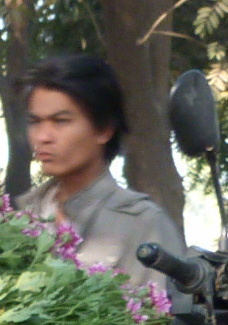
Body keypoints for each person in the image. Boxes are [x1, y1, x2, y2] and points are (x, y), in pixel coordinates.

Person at [15, 55, 184, 291]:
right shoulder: (20, 215)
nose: (43, 136)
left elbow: (164, 323)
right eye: (35, 122)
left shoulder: (143, 223)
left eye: (60, 121)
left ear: (104, 129)